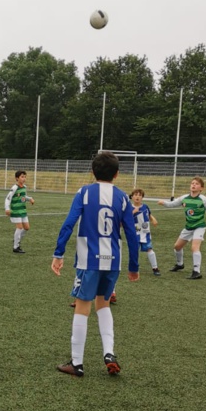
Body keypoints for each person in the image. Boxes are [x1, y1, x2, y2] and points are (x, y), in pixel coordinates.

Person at [52, 151, 139, 377]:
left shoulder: (84, 192)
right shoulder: (123, 197)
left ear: (92, 172)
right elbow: (131, 233)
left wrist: (58, 253)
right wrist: (134, 266)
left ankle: (77, 363)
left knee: (82, 306)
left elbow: (69, 223)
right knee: (104, 304)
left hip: (88, 260)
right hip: (113, 260)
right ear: (117, 174)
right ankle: (109, 353)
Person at [158, 177, 206, 280]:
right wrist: (163, 203)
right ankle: (180, 264)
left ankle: (196, 272)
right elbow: (172, 204)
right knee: (177, 247)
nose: (193, 185)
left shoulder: (203, 199)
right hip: (189, 227)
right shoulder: (184, 198)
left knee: (194, 248)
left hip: (199, 226)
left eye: (196, 184)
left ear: (201, 188)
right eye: (192, 183)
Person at [130, 188, 161, 276]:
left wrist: (153, 219)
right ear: (132, 197)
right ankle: (134, 269)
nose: (137, 197)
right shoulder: (129, 208)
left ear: (142, 197)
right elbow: (126, 219)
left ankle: (155, 268)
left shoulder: (145, 207)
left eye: (140, 195)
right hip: (134, 233)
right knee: (134, 251)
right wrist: (133, 212)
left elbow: (149, 214)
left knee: (150, 249)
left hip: (145, 232)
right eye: (135, 195)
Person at [5, 170, 35, 253]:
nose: (24, 178)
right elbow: (8, 198)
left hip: (23, 210)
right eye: (22, 177)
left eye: (25, 177)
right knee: (19, 227)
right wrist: (7, 208)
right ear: (17, 178)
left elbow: (23, 196)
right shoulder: (14, 188)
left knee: (27, 228)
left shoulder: (24, 187)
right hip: (16, 210)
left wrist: (30, 199)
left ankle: (16, 239)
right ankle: (16, 247)